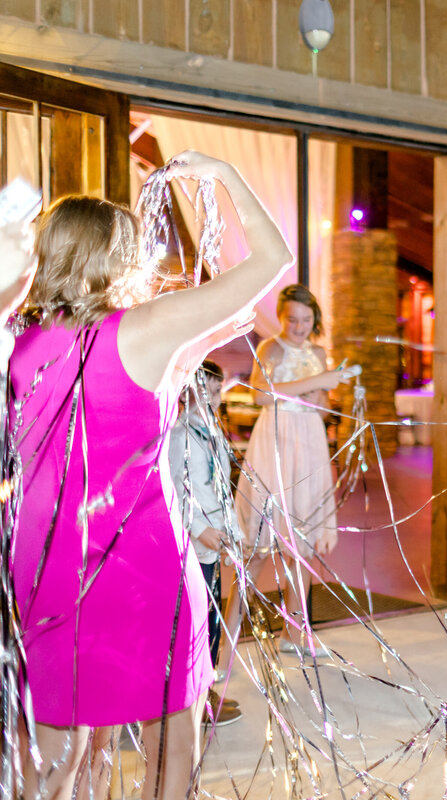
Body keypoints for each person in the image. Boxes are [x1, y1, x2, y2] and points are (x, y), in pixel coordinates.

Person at [10, 152, 292, 799]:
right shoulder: (149, 329)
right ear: (120, 257)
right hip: (143, 565)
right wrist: (226, 173)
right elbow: (272, 260)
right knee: (171, 758)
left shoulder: (16, 343)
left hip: (47, 562)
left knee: (50, 763)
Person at [230, 284, 350, 661]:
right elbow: (261, 395)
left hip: (310, 442)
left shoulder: (318, 352)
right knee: (259, 545)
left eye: (306, 320)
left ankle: (294, 633)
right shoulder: (270, 348)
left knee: (304, 544)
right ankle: (226, 638)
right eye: (292, 319)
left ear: (314, 320)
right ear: (281, 318)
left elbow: (323, 407)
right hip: (277, 440)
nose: (299, 327)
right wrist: (315, 383)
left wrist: (320, 395)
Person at [167, 360, 244, 726]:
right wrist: (198, 528)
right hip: (194, 541)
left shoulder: (212, 431)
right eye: (207, 389)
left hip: (215, 538)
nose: (215, 397)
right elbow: (180, 489)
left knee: (212, 617)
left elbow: (220, 488)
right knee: (194, 616)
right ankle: (186, 694)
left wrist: (233, 530)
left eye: (217, 389)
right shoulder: (181, 436)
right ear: (187, 391)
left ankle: (203, 687)